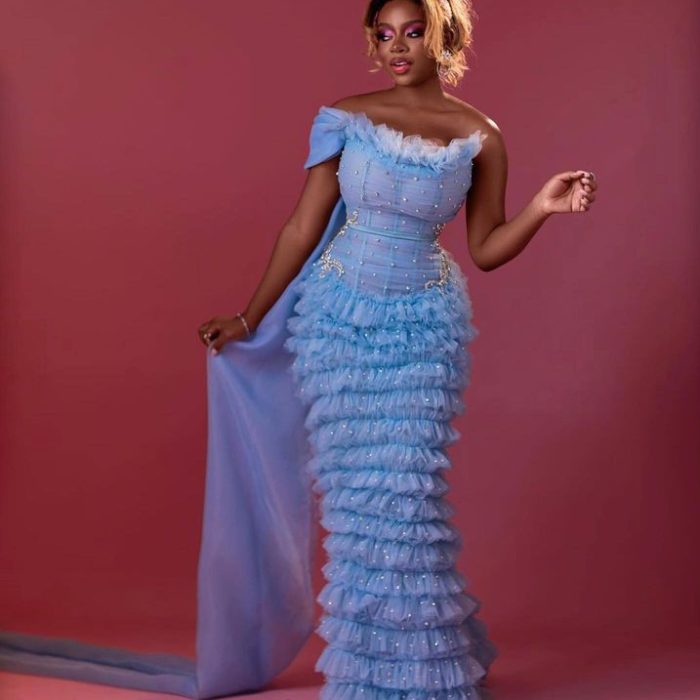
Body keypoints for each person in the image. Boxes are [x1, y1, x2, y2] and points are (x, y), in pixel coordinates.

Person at [197, 0, 599, 699]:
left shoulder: (480, 135)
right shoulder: (345, 118)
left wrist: (542, 207)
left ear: (446, 36)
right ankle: (373, 677)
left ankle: (426, 671)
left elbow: (485, 248)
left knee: (409, 502)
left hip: (424, 326)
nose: (398, 47)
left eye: (414, 32)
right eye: (384, 35)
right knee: (359, 509)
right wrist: (247, 316)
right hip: (337, 321)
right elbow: (300, 228)